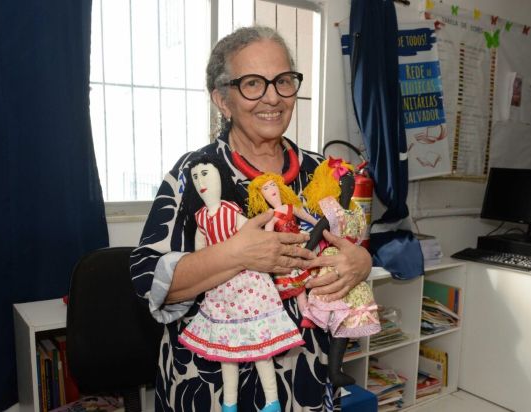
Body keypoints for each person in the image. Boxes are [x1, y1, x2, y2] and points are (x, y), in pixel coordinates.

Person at [129, 25, 372, 411]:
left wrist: (361, 262)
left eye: (283, 81)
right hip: (211, 385)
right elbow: (148, 281)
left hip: (306, 378)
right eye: (253, 84)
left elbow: (349, 238)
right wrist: (238, 254)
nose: (273, 97)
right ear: (222, 100)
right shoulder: (195, 173)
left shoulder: (321, 170)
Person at [176, 153, 304, 412]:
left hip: (247, 285)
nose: (201, 181)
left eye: (206, 174)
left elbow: (253, 237)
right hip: (220, 287)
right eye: (196, 177)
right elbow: (199, 252)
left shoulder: (231, 211)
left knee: (260, 348)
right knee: (227, 350)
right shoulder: (201, 218)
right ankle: (230, 403)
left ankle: (272, 401)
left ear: (220, 177)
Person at [246, 172, 318, 328]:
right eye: (266, 188)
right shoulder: (271, 216)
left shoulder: (291, 207)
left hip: (302, 244)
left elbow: (308, 218)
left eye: (273, 185)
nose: (271, 189)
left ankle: (318, 310)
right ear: (261, 196)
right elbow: (268, 237)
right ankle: (307, 316)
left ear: (280, 187)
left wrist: (319, 225)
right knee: (298, 287)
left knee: (314, 276)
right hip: (286, 250)